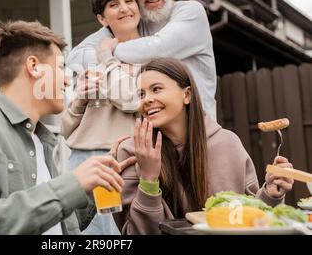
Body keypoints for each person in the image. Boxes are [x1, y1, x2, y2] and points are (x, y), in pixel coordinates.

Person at [0, 20, 135, 234]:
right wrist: (72, 184)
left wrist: (93, 185)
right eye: (62, 68)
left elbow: (56, 224)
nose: (67, 81)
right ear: (34, 67)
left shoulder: (38, 139)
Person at [114, 58, 294, 235]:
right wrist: (148, 178)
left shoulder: (228, 144)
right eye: (141, 94)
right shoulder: (130, 152)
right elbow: (134, 233)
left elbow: (253, 220)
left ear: (187, 95)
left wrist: (270, 194)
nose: (147, 100)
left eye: (156, 89)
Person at [67, 0, 217, 121]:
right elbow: (76, 58)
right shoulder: (135, 22)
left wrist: (107, 54)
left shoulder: (191, 12)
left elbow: (156, 48)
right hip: (158, 138)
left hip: (199, 131)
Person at [61, 0, 142, 235]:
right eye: (114, 4)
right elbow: (65, 128)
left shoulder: (149, 58)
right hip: (81, 159)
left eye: (129, 1)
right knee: (75, 234)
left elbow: (131, 101)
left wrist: (106, 56)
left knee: (115, 235)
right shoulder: (85, 55)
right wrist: (80, 99)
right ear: (102, 19)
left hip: (118, 159)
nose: (125, 8)